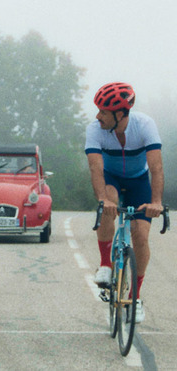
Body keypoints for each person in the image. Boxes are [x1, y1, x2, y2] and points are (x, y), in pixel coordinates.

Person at [85, 82, 164, 323]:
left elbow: (156, 167)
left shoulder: (145, 126)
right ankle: (106, 265)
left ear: (120, 114)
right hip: (111, 179)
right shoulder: (95, 129)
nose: (98, 116)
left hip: (139, 181)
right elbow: (95, 168)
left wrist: (157, 202)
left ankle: (136, 297)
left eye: (103, 112)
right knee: (109, 202)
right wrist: (102, 199)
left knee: (140, 234)